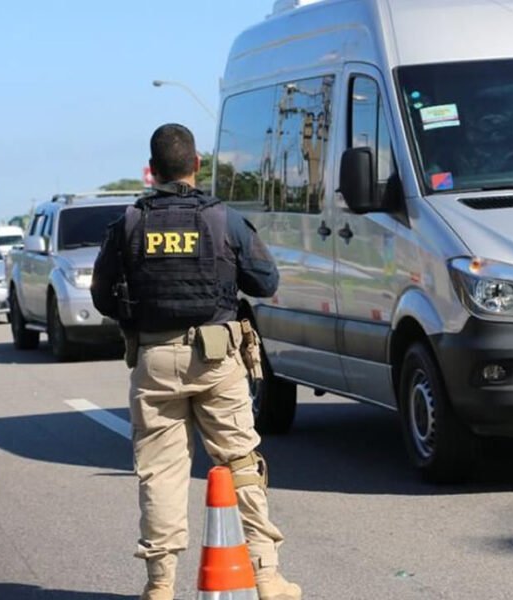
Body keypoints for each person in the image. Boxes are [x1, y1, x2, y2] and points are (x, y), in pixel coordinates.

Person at [92, 123, 301, 600]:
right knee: (240, 462)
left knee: (160, 472)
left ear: (151, 170)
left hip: (154, 358)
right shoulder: (222, 220)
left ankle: (160, 585)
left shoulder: (128, 223)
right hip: (217, 357)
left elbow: (102, 296)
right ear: (197, 165)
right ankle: (266, 576)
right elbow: (266, 282)